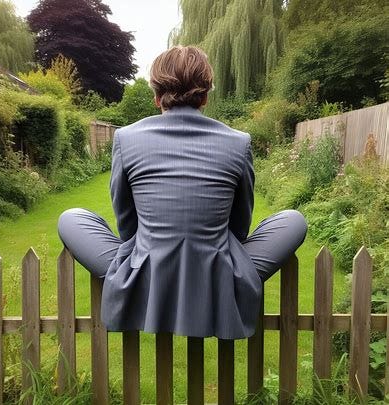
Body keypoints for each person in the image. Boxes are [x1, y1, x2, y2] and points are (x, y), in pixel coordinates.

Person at [57, 45, 307, 340]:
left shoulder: (126, 137)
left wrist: (149, 251)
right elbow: (240, 228)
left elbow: (126, 224)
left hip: (145, 272)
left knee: (72, 218)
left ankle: (141, 289)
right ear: (204, 96)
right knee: (293, 220)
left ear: (156, 96)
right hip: (219, 273)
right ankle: (215, 287)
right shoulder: (239, 142)